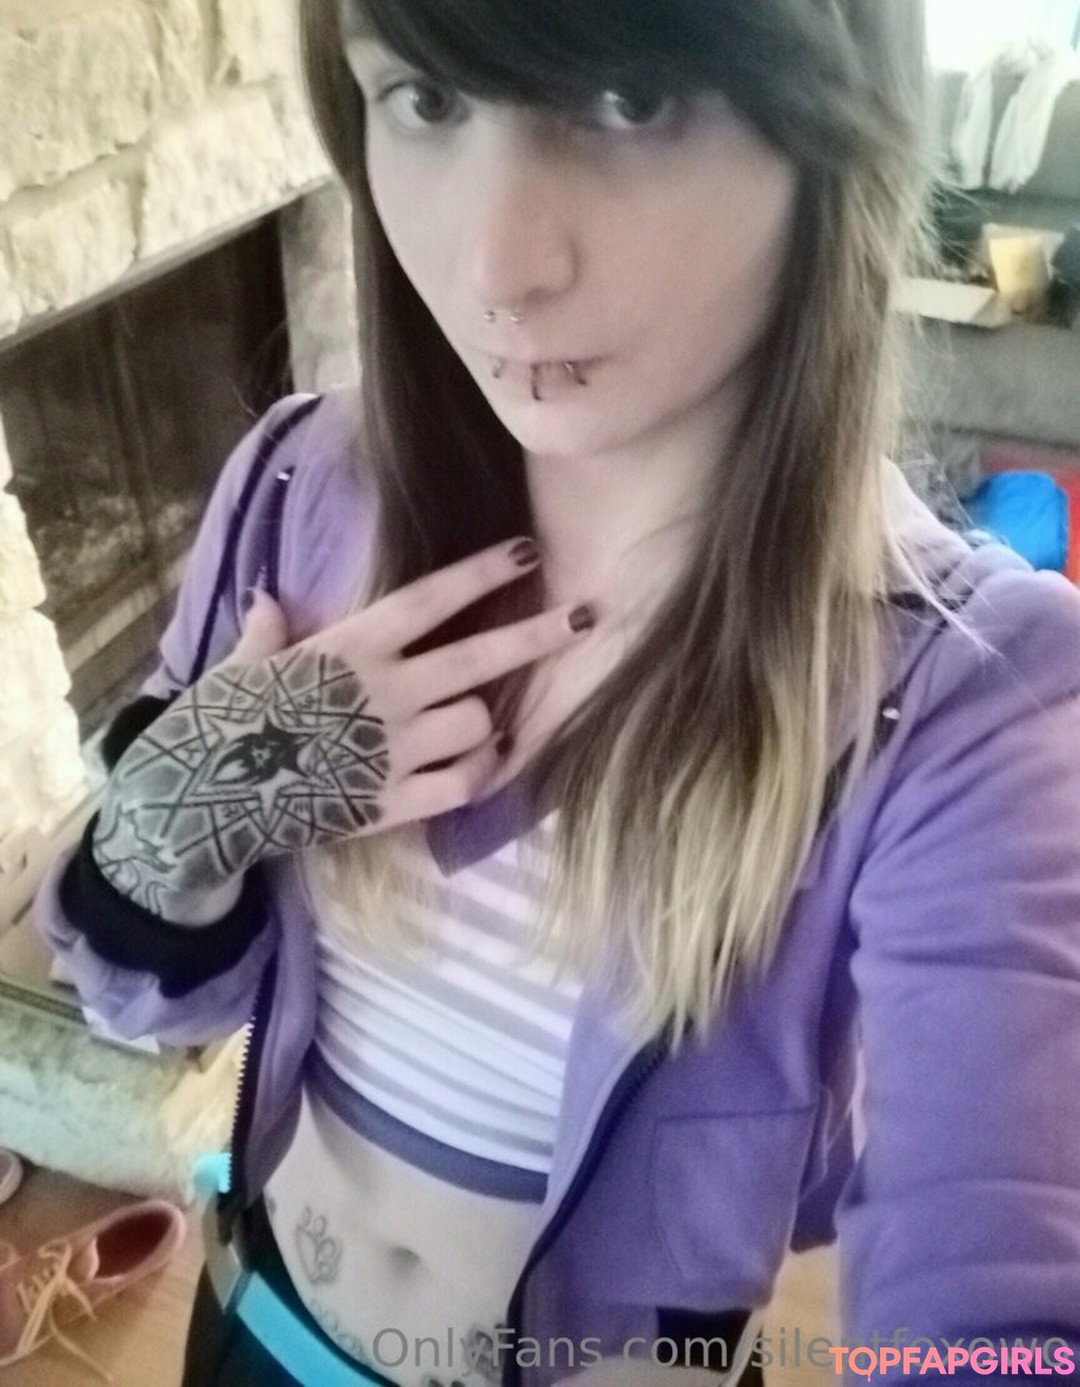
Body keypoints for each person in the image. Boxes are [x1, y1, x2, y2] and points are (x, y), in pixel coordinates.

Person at [31, 0, 1080, 1384]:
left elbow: (1005, 1294)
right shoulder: (294, 490)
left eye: (629, 103)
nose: (496, 266)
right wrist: (193, 799)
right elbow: (130, 1004)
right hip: (251, 1325)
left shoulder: (974, 698)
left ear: (837, 133)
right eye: (425, 100)